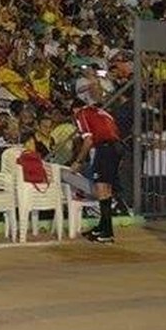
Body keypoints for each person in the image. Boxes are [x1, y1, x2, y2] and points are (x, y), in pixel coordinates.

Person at [71, 98, 122, 244]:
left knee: (102, 190)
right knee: (106, 189)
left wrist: (78, 161)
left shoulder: (81, 113)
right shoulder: (102, 112)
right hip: (116, 147)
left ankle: (107, 232)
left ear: (75, 109)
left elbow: (88, 140)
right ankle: (102, 227)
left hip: (105, 148)